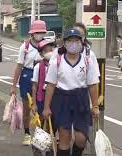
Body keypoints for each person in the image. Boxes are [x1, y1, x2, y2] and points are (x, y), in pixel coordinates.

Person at [43, 28, 100, 156]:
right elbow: (50, 86)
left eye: (76, 41)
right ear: (64, 43)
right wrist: (46, 108)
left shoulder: (87, 61)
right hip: (62, 99)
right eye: (70, 41)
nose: (73, 44)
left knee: (81, 139)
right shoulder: (56, 62)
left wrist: (95, 106)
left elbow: (92, 85)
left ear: (82, 43)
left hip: (81, 99)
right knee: (65, 136)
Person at [10, 20, 47, 145]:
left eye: (42, 32)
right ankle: (27, 134)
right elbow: (19, 66)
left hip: (42, 76)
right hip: (27, 76)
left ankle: (40, 133)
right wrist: (13, 85)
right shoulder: (25, 46)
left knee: (41, 107)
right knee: (27, 108)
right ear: (32, 33)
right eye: (37, 32)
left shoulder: (47, 46)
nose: (39, 34)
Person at [31, 39, 55, 156]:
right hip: (41, 97)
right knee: (40, 125)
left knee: (53, 125)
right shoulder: (38, 67)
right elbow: (34, 86)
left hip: (54, 97)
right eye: (46, 50)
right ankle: (38, 149)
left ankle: (50, 150)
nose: (49, 51)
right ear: (41, 54)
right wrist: (34, 103)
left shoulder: (57, 64)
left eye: (51, 49)